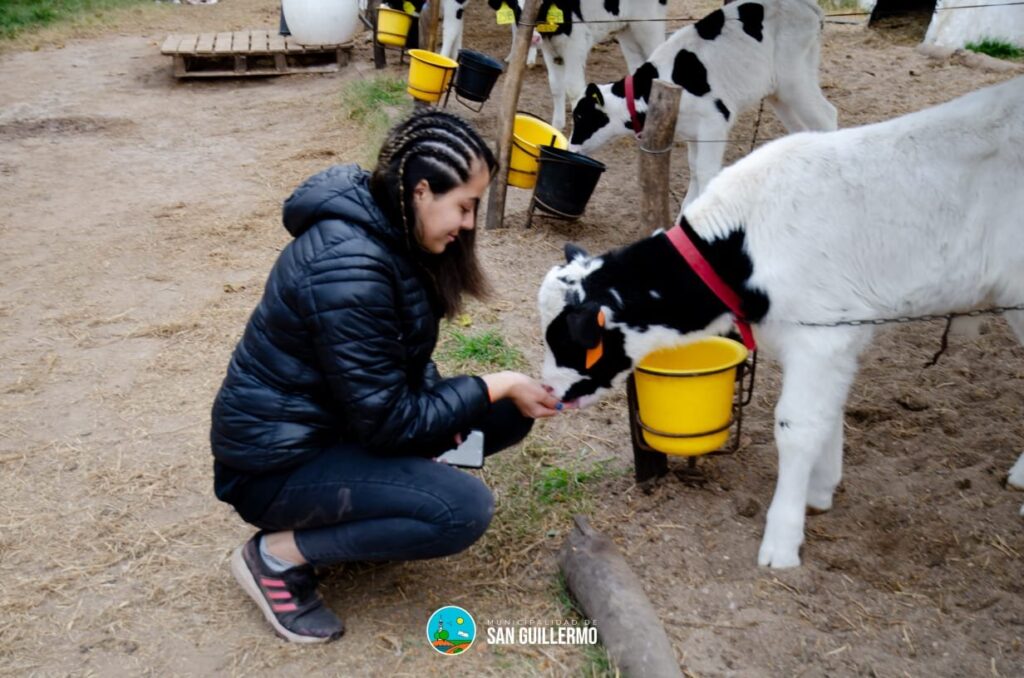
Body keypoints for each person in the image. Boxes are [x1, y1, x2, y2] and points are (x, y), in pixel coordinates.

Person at [210, 110, 561, 644]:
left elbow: (402, 367)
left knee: (504, 415)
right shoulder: (350, 267)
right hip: (274, 468)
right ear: (421, 192)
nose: (469, 223)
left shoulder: (391, 232)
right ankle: (276, 557)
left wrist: (489, 397)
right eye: (464, 205)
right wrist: (496, 382)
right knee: (461, 510)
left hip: (341, 429)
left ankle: (390, 501)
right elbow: (391, 423)